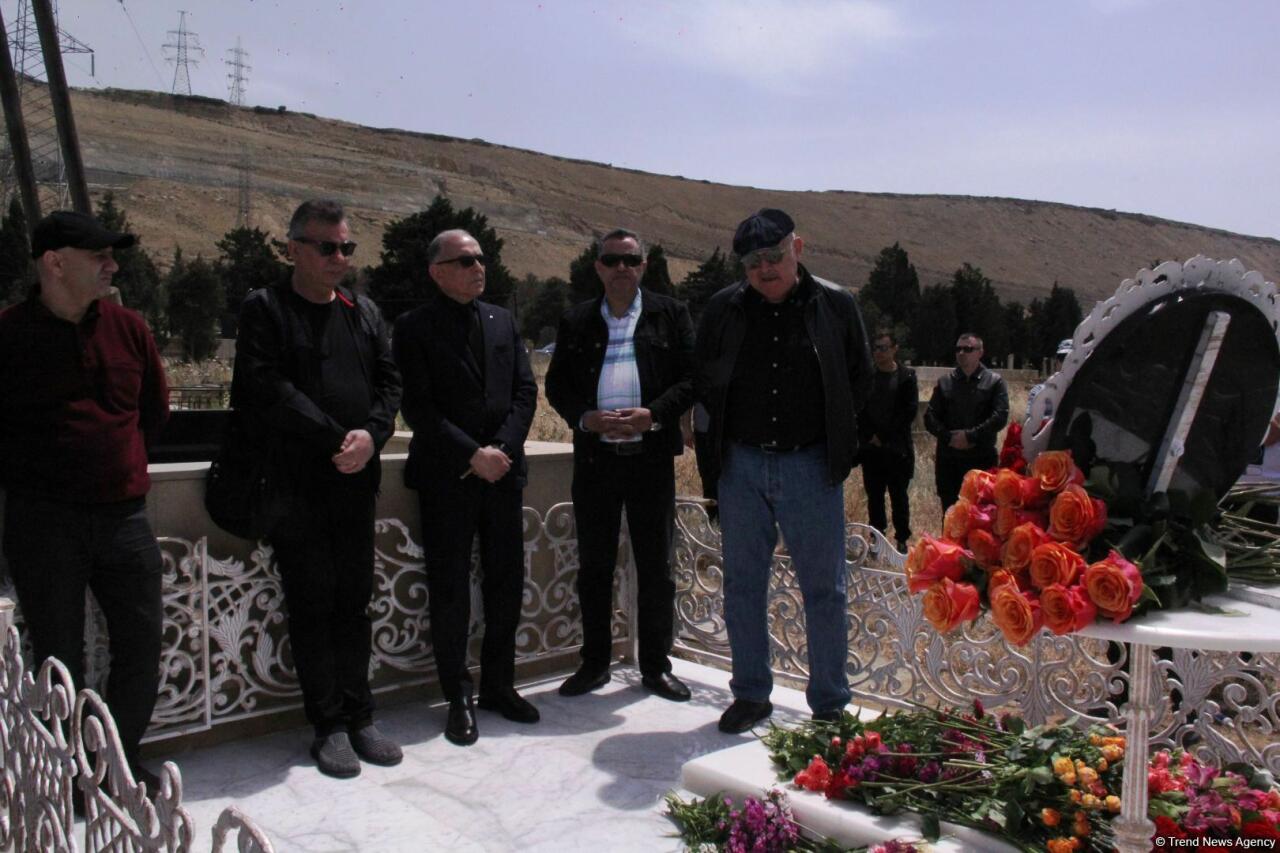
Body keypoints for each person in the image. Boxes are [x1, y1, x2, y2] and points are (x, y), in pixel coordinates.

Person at [231, 199, 403, 778]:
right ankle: (328, 726)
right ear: (293, 249)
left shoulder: (363, 311)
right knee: (312, 604)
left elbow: (389, 384)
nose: (339, 258)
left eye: (346, 247)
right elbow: (268, 387)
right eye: (327, 247)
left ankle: (361, 716)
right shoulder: (266, 309)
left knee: (354, 602)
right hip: (296, 488)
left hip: (356, 481)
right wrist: (337, 440)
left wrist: (372, 436)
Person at [0, 210, 168, 791]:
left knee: (142, 645)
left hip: (124, 518)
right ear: (54, 263)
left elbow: (153, 413)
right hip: (43, 523)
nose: (112, 266)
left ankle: (115, 768)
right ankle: (65, 779)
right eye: (99, 256)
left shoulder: (129, 330)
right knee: (57, 659)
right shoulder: (8, 336)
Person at [694, 208, 872, 733]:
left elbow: (859, 382)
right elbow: (705, 382)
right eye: (752, 263)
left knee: (825, 589)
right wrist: (713, 461)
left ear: (798, 247)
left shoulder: (836, 305)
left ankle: (830, 703)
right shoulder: (723, 309)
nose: (765, 269)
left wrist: (837, 446)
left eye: (773, 256)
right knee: (743, 585)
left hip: (810, 465)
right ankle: (751, 694)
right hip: (741, 465)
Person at [393, 229, 539, 746]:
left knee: (505, 585)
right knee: (451, 589)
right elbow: (419, 407)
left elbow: (525, 391)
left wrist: (501, 449)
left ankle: (499, 685)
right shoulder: (414, 327)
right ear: (437, 272)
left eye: (481, 258)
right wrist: (472, 455)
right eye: (465, 260)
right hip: (447, 479)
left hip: (503, 475)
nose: (479, 267)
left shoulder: (502, 320)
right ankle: (458, 696)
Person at [545, 228, 695, 702]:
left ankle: (655, 667)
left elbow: (693, 378)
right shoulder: (577, 320)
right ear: (598, 268)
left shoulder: (670, 315)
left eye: (630, 260)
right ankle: (594, 664)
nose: (621, 268)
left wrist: (654, 415)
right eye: (612, 260)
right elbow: (557, 385)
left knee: (656, 568)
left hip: (650, 461)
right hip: (596, 462)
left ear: (644, 266)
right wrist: (584, 418)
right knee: (595, 566)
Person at [924, 332, 1009, 511]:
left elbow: (1000, 416)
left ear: (980, 352)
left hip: (981, 460)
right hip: (949, 462)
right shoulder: (945, 382)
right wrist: (949, 437)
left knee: (982, 516)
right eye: (958, 349)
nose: (962, 353)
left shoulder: (994, 382)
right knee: (950, 514)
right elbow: (930, 417)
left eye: (968, 349)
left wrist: (971, 436)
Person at [858, 330, 918, 552]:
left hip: (896, 450)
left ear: (894, 349)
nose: (878, 352)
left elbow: (907, 412)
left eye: (883, 348)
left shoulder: (906, 377)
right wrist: (870, 436)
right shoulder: (868, 378)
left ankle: (901, 541)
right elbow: (860, 409)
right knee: (874, 497)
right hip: (872, 450)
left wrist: (883, 436)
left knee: (899, 498)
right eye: (875, 348)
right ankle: (877, 541)